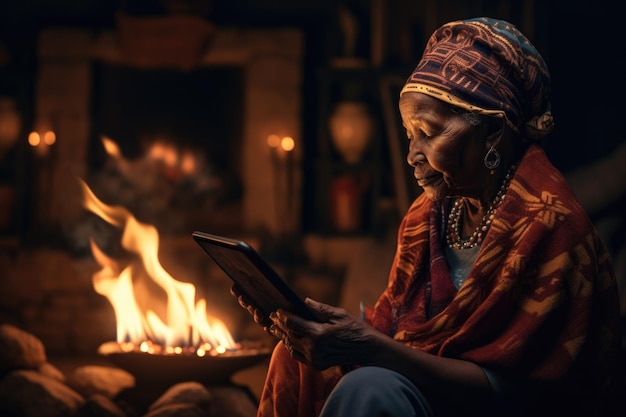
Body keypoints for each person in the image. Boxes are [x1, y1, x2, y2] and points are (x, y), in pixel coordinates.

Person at [231, 17, 622, 417]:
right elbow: (392, 331)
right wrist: (317, 331)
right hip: (426, 393)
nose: (412, 156)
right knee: (294, 357)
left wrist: (369, 346)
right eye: (408, 134)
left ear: (491, 131)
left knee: (370, 388)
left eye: (429, 133)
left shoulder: (551, 226)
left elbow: (521, 394)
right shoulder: (426, 217)